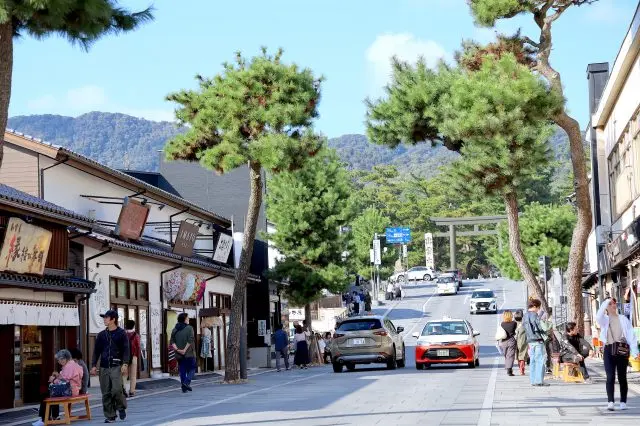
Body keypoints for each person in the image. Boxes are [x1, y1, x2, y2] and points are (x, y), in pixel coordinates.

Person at [596, 298, 639, 411]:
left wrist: (635, 352)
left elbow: (631, 336)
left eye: (614, 303)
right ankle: (610, 402)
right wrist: (605, 302)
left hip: (622, 350)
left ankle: (623, 402)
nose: (613, 305)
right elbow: (598, 316)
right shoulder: (605, 320)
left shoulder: (623, 319)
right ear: (606, 307)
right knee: (610, 377)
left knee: (622, 377)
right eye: (610, 304)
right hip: (609, 350)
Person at [91, 309, 129, 423]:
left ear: (113, 319)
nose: (104, 319)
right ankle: (110, 415)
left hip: (117, 365)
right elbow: (96, 351)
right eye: (104, 317)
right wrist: (93, 365)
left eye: (106, 317)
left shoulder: (121, 333)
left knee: (117, 390)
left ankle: (121, 407)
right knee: (106, 392)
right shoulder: (101, 335)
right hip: (103, 366)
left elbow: (126, 349)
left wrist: (125, 363)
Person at [33, 350, 84, 426]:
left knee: (45, 394)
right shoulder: (73, 364)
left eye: (59, 360)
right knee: (53, 392)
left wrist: (53, 380)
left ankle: (44, 419)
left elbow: (64, 381)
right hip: (73, 389)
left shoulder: (69, 366)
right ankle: (55, 416)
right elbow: (65, 378)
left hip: (69, 390)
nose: (58, 362)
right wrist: (57, 377)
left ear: (64, 359)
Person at [523, 299, 548, 387]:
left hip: (530, 340)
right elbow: (540, 327)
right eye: (538, 307)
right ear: (534, 306)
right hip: (537, 339)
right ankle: (539, 380)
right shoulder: (534, 315)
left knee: (533, 360)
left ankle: (533, 380)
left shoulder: (525, 316)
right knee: (540, 360)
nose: (538, 309)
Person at [170, 312, 196, 393]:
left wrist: (177, 350)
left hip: (178, 354)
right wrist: (184, 350)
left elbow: (172, 341)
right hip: (189, 353)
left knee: (182, 370)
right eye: (187, 318)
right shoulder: (189, 328)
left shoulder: (175, 329)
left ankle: (184, 388)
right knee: (192, 368)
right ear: (184, 319)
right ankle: (186, 383)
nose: (188, 319)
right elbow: (191, 339)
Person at [124, 320, 140, 397]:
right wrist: (136, 356)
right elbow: (138, 346)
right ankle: (132, 391)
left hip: (124, 357)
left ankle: (124, 391)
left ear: (125, 326)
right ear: (133, 326)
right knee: (133, 375)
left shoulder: (123, 334)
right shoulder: (136, 335)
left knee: (124, 375)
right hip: (133, 356)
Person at [499, 310, 517, 376]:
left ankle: (507, 367)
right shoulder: (514, 323)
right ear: (511, 315)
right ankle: (509, 370)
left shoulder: (502, 324)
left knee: (506, 355)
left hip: (503, 341)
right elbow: (514, 331)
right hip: (511, 340)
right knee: (510, 355)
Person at [514, 310, 528, 376]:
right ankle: (522, 369)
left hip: (514, 341)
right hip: (523, 340)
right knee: (522, 355)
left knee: (517, 355)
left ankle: (520, 367)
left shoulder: (514, 324)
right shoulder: (524, 324)